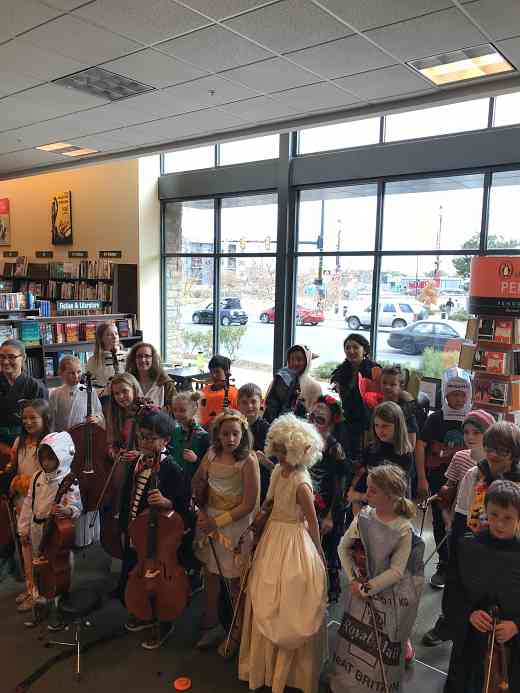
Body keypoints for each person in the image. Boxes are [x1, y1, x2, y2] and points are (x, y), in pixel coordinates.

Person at [239, 413, 327, 693]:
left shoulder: (301, 482)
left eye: (280, 450)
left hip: (291, 540)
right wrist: (255, 527)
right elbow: (269, 503)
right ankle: (270, 670)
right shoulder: (280, 470)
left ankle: (282, 673)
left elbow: (312, 522)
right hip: (274, 536)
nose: (276, 455)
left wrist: (319, 554)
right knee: (270, 596)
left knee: (285, 598)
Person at [422, 420, 520, 647]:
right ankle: (451, 624)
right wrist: (456, 552)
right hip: (474, 549)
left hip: (509, 555)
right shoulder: (474, 475)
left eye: (503, 450)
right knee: (466, 596)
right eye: (490, 448)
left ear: (514, 453)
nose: (494, 455)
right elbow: (462, 518)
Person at [330, 465, 424, 693]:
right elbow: (343, 547)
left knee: (383, 641)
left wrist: (367, 588)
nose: (366, 494)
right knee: (356, 637)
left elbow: (397, 571)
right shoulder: (363, 516)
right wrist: (354, 578)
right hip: (361, 588)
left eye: (372, 491)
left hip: (389, 594)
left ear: (390, 496)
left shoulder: (403, 528)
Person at [119, 407, 192, 650]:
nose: (144, 442)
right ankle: (142, 611)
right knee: (136, 571)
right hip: (136, 533)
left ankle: (163, 619)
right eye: (141, 436)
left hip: (160, 540)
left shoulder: (171, 468)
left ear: (166, 440)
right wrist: (123, 523)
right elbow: (127, 494)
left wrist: (166, 502)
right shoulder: (138, 462)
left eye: (151, 438)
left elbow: (184, 506)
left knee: (159, 578)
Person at [193, 409, 260, 656]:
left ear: (243, 435)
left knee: (234, 582)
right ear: (217, 436)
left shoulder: (248, 460)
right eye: (225, 434)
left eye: (235, 434)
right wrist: (200, 510)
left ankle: (237, 632)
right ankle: (212, 622)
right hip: (209, 519)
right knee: (210, 575)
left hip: (233, 525)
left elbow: (249, 504)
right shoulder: (211, 455)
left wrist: (216, 522)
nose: (230, 439)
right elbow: (197, 483)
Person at [445, 480, 520, 692]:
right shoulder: (469, 545)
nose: (499, 524)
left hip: (512, 645)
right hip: (472, 641)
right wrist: (469, 613)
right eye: (494, 515)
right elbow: (454, 591)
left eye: (508, 518)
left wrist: (516, 625)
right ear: (485, 510)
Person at [415, 366, 472, 589]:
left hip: (467, 480)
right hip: (440, 479)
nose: (458, 399)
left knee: (463, 522)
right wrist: (421, 478)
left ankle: (461, 567)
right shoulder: (436, 419)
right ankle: (444, 564)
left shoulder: (472, 419)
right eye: (453, 394)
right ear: (446, 395)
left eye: (462, 394)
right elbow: (421, 445)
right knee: (440, 521)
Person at [17, 432, 81, 614]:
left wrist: (68, 510)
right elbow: (29, 503)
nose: (46, 463)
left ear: (61, 457)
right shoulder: (37, 477)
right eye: (43, 458)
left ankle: (62, 593)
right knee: (40, 562)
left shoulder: (68, 481)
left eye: (51, 459)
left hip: (56, 532)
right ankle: (42, 594)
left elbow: (77, 506)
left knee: (61, 563)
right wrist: (23, 529)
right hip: (37, 528)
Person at [5, 400, 51, 612]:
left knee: (38, 550)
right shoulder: (18, 442)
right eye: (25, 418)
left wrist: (21, 482)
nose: (28, 422)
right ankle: (30, 586)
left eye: (34, 417)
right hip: (20, 503)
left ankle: (41, 591)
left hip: (39, 503)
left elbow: (48, 475)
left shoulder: (48, 444)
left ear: (45, 419)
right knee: (24, 546)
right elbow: (12, 469)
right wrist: (12, 483)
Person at [309, 395, 350, 603]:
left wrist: (331, 516)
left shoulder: (335, 449)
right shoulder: (306, 441)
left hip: (330, 507)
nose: (314, 423)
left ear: (332, 423)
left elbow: (340, 487)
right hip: (311, 504)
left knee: (329, 549)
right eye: (312, 417)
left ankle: (329, 589)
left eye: (320, 420)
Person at [348, 401, 414, 514]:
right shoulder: (371, 448)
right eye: (376, 425)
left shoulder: (404, 455)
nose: (380, 430)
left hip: (388, 509)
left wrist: (360, 496)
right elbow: (361, 473)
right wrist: (352, 490)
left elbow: (394, 493)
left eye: (385, 426)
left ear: (397, 426)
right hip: (364, 507)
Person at [330, 334, 382, 460]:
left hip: (368, 421)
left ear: (364, 350)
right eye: (347, 348)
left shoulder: (374, 370)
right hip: (348, 418)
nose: (351, 351)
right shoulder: (343, 369)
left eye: (355, 347)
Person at [439, 409, 495, 522]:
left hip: (485, 520)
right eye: (466, 432)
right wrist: (447, 516)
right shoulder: (459, 457)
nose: (470, 437)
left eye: (476, 432)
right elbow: (447, 490)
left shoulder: (494, 463)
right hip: (458, 515)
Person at [0, 339, 48, 457]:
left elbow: (44, 424)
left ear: (24, 358)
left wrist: (20, 447)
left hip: (29, 448)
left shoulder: (36, 387)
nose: (5, 361)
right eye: (1, 357)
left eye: (11, 357)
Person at [264, 344, 322, 424]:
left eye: (299, 359)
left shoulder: (314, 386)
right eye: (291, 359)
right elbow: (269, 404)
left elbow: (317, 413)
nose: (295, 363)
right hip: (275, 425)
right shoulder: (281, 378)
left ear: (307, 361)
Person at [237, 383, 273, 503]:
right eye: (244, 402)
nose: (249, 406)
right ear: (238, 405)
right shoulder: (234, 426)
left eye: (253, 401)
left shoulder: (269, 431)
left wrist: (265, 462)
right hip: (238, 481)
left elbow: (277, 467)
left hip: (260, 483)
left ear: (261, 403)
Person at [49, 355, 104, 432]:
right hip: (64, 435)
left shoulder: (89, 391)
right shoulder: (56, 394)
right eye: (71, 373)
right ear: (61, 373)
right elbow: (52, 419)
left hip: (83, 434)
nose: (76, 376)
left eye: (78, 372)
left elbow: (99, 413)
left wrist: (96, 418)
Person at [168, 391, 209, 480]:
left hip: (193, 481)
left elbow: (208, 466)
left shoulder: (203, 436)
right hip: (175, 479)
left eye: (182, 410)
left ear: (194, 410)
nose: (178, 414)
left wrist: (195, 460)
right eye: (175, 410)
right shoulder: (174, 432)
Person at [125, 342, 176, 409]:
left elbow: (174, 407)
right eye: (139, 356)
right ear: (134, 359)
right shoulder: (127, 381)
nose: (143, 360)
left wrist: (157, 412)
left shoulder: (165, 382)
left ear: (153, 359)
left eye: (147, 356)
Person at [379, 365, 419, 448]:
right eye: (384, 383)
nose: (387, 387)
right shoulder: (376, 406)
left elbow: (411, 444)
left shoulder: (408, 411)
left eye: (393, 384)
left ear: (401, 387)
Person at [198, 355, 239, 429]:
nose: (214, 375)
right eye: (211, 372)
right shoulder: (204, 390)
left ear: (226, 372)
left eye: (217, 372)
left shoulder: (234, 394)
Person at [86, 322, 126, 395]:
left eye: (116, 333)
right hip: (105, 400)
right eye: (109, 335)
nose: (114, 337)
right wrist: (106, 391)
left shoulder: (127, 356)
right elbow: (90, 388)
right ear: (101, 339)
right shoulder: (94, 361)